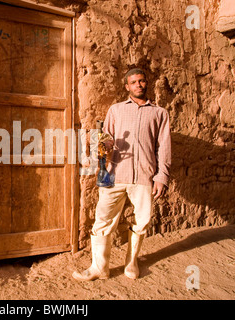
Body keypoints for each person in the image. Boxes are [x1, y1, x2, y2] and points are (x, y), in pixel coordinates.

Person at [73, 68, 171, 281]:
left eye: (142, 81)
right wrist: (103, 145)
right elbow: (106, 138)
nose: (138, 85)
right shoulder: (116, 110)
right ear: (127, 86)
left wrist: (161, 176)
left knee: (142, 221)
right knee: (103, 219)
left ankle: (132, 261)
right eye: (134, 82)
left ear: (147, 83)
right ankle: (100, 268)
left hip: (145, 176)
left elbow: (163, 146)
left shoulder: (159, 113)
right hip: (114, 174)